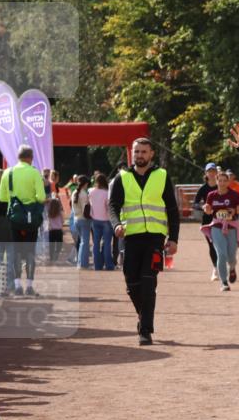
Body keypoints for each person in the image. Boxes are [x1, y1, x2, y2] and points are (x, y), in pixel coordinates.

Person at [108, 138, 180, 345]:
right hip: (130, 236)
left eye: (143, 152)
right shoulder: (122, 177)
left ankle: (145, 330)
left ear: (151, 154)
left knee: (148, 282)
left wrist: (173, 238)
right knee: (132, 283)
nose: (139, 155)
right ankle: (143, 315)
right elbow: (113, 206)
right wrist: (116, 225)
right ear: (132, 154)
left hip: (155, 237)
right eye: (136, 152)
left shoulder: (162, 176)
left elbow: (173, 210)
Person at [0, 145, 47, 297]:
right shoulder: (34, 173)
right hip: (31, 218)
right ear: (30, 158)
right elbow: (41, 197)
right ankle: (30, 286)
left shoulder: (8, 172)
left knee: (16, 252)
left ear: (18, 157)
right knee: (30, 252)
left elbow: (1, 197)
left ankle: (18, 286)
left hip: (14, 218)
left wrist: (15, 201)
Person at [202, 170, 239, 291]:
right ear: (216, 181)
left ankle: (232, 268)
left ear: (228, 182)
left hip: (232, 227)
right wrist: (206, 208)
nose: (221, 183)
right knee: (221, 254)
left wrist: (235, 210)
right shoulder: (211, 195)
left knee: (231, 257)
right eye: (219, 180)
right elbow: (209, 210)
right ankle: (224, 282)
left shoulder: (234, 194)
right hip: (216, 226)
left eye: (224, 180)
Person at [194, 163, 220, 280]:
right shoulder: (203, 189)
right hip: (207, 220)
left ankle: (222, 265)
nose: (212, 173)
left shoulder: (222, 187)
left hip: (222, 219)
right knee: (212, 245)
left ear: (217, 173)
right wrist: (203, 207)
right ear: (206, 173)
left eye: (214, 171)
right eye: (209, 171)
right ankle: (215, 268)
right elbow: (195, 204)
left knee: (221, 245)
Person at [89, 173, 114, 270]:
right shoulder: (107, 193)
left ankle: (97, 265)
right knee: (107, 243)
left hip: (95, 220)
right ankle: (109, 265)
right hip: (106, 220)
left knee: (96, 243)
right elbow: (108, 208)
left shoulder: (91, 191)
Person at [72, 175, 92, 268]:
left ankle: (80, 263)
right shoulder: (84, 194)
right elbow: (86, 210)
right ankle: (83, 264)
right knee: (84, 242)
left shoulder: (74, 192)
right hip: (84, 220)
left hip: (76, 219)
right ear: (86, 184)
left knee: (81, 242)